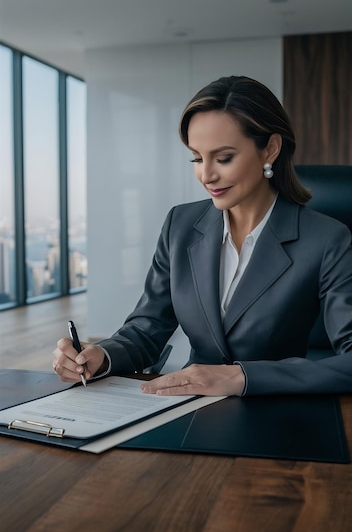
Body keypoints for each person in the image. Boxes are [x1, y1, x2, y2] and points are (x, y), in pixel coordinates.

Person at [53, 75, 352, 397]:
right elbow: (147, 328)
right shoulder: (180, 225)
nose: (206, 175)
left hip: (276, 411)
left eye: (223, 158)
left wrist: (241, 377)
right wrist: (102, 355)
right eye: (197, 157)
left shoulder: (327, 239)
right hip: (187, 407)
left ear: (270, 149)